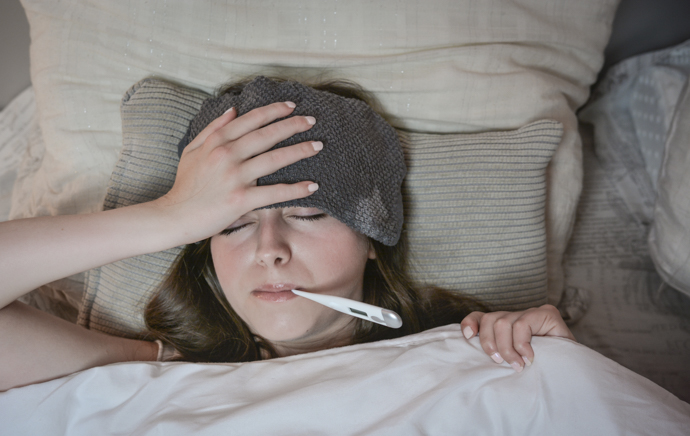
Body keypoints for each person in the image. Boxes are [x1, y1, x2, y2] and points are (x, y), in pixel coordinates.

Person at [0, 76, 574, 391]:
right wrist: (171, 216)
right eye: (234, 225)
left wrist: (561, 370)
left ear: (374, 239)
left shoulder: (469, 357)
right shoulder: (155, 371)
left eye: (308, 214)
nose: (269, 251)